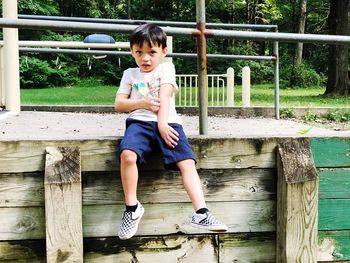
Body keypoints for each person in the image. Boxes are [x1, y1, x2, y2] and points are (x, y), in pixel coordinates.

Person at [115, 23, 228, 240]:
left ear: (163, 52)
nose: (145, 58)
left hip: (168, 123)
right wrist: (143, 104)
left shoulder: (166, 68)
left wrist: (162, 124)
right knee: (127, 155)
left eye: (152, 52)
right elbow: (119, 104)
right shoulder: (130, 74)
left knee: (186, 162)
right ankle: (132, 208)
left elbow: (165, 97)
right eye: (139, 52)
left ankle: (202, 213)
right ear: (132, 51)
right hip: (138, 123)